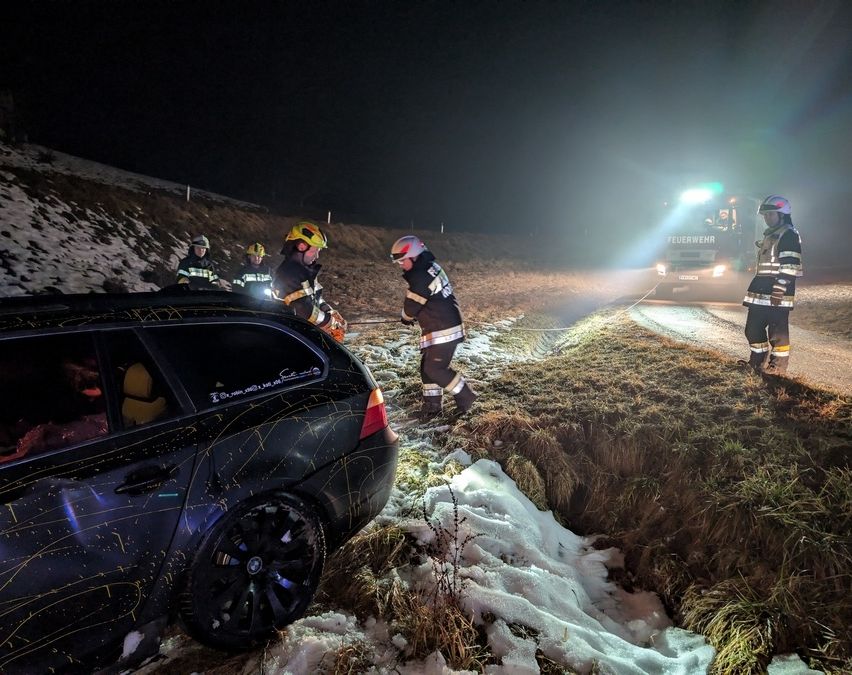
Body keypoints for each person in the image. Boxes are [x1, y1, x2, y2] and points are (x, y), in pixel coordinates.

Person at [390, 235, 476, 417]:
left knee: (435, 369)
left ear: (413, 256)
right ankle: (432, 407)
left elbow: (411, 307)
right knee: (426, 368)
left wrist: (405, 318)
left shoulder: (421, 276)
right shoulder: (428, 267)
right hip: (439, 327)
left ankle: (465, 396)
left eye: (402, 261)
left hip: (444, 329)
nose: (401, 265)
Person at [742, 195, 803, 374]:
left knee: (778, 334)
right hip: (760, 291)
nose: (767, 218)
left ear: (782, 214)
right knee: (752, 330)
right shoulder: (770, 235)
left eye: (770, 214)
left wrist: (779, 288)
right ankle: (756, 363)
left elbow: (790, 265)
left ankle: (777, 368)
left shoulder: (789, 234)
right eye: (765, 215)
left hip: (777, 292)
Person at [272, 221, 346, 342]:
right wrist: (330, 322)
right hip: (290, 337)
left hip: (303, 334)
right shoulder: (288, 273)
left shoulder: (305, 271)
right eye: (315, 250)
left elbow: (315, 296)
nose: (317, 256)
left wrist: (327, 309)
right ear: (302, 246)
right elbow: (302, 309)